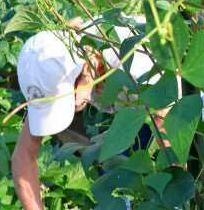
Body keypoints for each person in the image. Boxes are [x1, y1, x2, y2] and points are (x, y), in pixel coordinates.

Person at [11, 14, 191, 209]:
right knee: (115, 185)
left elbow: (176, 159)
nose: (71, 105)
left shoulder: (134, 64)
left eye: (68, 98)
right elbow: (23, 155)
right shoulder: (50, 71)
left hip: (180, 106)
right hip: (133, 111)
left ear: (86, 69)